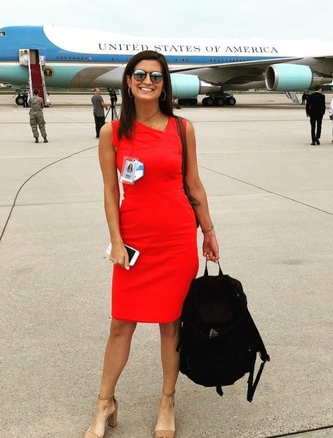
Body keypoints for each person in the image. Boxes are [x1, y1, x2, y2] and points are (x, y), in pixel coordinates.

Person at [87, 50, 220, 438]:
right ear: (129, 81)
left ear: (165, 85)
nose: (148, 81)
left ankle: (167, 401)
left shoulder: (182, 128)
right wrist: (116, 241)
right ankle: (105, 403)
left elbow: (194, 184)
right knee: (120, 324)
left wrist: (208, 230)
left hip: (177, 240)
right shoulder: (112, 133)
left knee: (170, 325)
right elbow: (110, 192)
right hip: (134, 243)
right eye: (141, 75)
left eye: (156, 76)